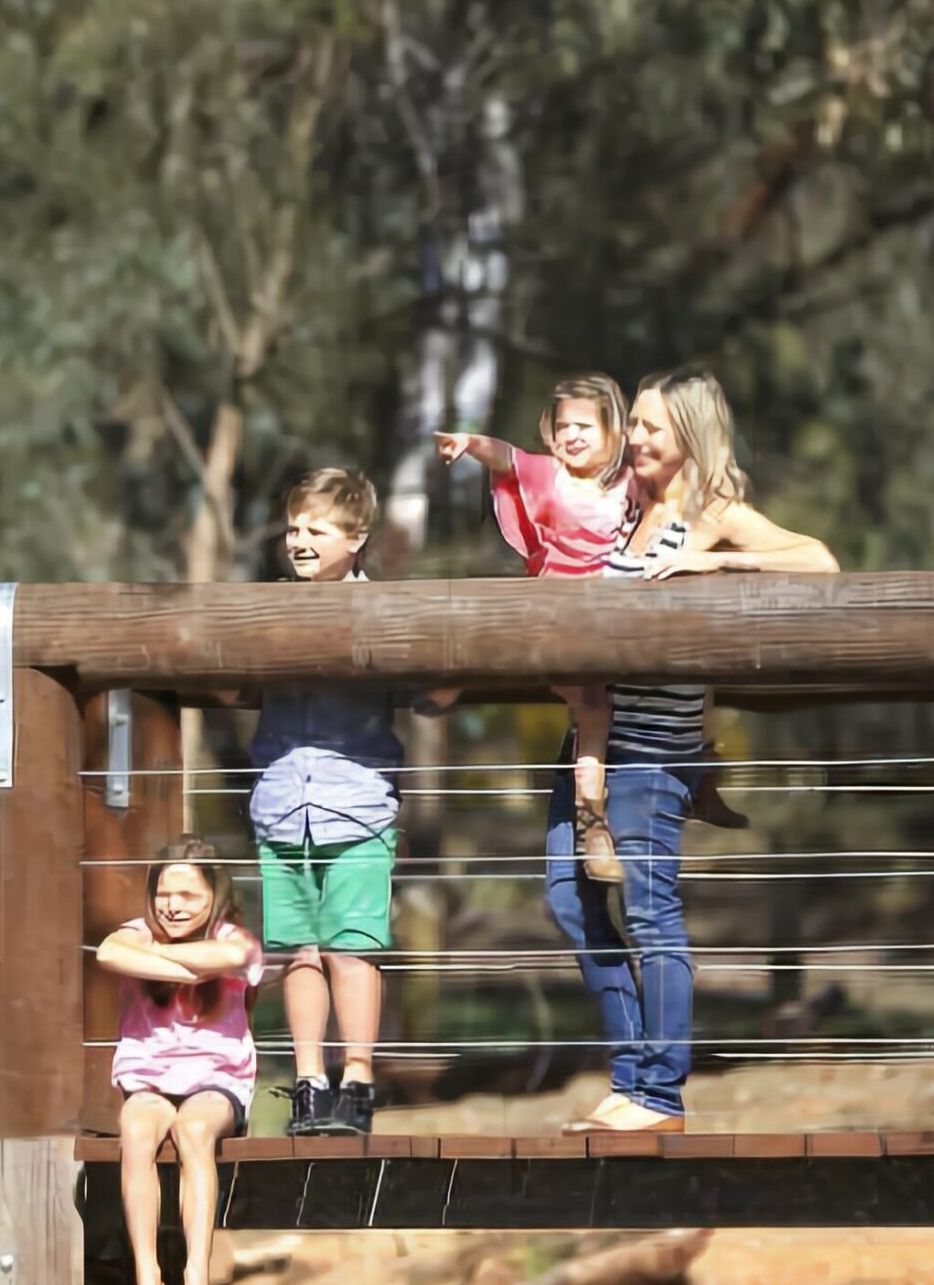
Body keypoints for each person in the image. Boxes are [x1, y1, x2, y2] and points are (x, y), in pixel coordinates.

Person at [545, 366, 838, 1134]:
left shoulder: (714, 512)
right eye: (633, 426)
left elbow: (820, 561)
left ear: (692, 434)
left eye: (651, 427)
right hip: (591, 743)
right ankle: (630, 1074)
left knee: (650, 916)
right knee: (569, 904)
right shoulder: (627, 511)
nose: (635, 440)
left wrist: (719, 561)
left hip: (652, 752)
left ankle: (660, 1094)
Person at [246, 465, 455, 1139]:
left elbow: (435, 690)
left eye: (318, 529)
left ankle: (357, 1081)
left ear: (356, 537)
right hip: (281, 807)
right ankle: (307, 1083)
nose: (300, 540)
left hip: (356, 808)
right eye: (293, 528)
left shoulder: (385, 611)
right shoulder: (269, 610)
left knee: (352, 948)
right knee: (298, 951)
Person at [435, 373, 632, 881]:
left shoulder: (630, 485)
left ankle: (594, 823)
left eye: (585, 425)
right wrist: (469, 443)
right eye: (563, 425)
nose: (573, 435)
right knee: (492, 622)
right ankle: (449, 680)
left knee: (594, 712)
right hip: (551, 611)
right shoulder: (550, 475)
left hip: (608, 621)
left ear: (614, 430)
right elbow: (507, 457)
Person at [97, 837, 263, 1285]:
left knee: (194, 1130)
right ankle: (149, 1282)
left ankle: (195, 1276)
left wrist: (153, 959)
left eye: (189, 896)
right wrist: (189, 965)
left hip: (217, 1081)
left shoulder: (239, 940)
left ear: (215, 895)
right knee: (137, 1130)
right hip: (149, 1081)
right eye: (165, 894)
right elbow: (107, 952)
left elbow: (232, 955)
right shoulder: (136, 934)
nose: (173, 906)